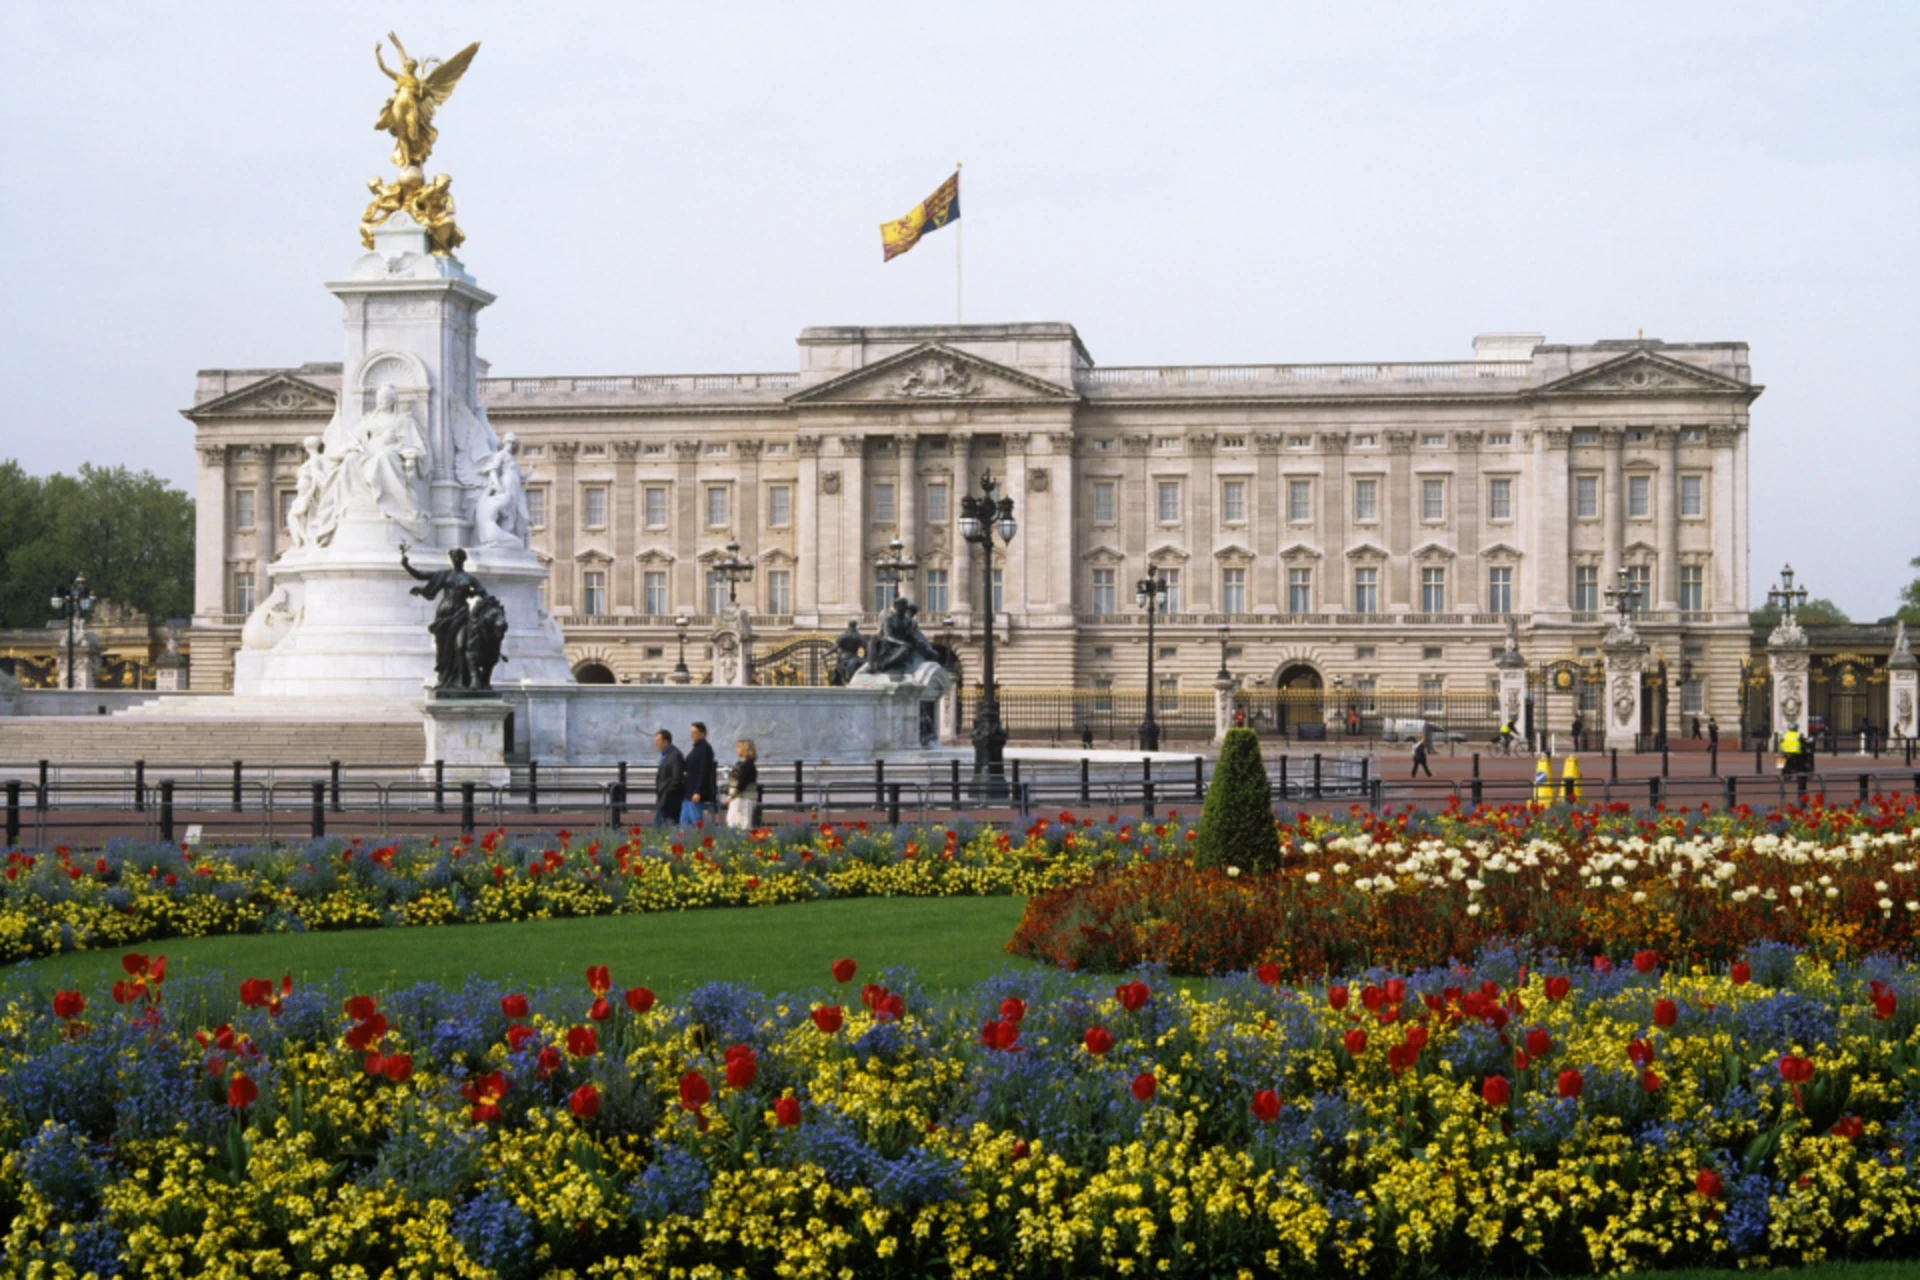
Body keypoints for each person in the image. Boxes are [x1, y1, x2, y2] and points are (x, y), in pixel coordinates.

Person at [683, 722, 717, 822]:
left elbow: (704, 771)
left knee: (697, 822)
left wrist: (698, 791)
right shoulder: (696, 748)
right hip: (688, 792)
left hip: (695, 793)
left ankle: (704, 837)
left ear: (702, 733)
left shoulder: (705, 748)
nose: (692, 735)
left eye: (694, 732)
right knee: (684, 823)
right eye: (691, 732)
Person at [653, 729, 685, 826]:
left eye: (658, 742)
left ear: (666, 742)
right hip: (663, 797)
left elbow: (677, 778)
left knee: (659, 826)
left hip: (669, 799)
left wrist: (667, 792)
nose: (656, 745)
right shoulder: (665, 755)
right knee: (662, 825)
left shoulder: (675, 755)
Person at [726, 738, 760, 830]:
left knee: (743, 825)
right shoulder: (739, 764)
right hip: (737, 798)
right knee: (732, 823)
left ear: (746, 749)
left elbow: (742, 783)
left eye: (739, 747)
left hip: (745, 799)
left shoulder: (748, 765)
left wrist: (731, 796)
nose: (737, 749)